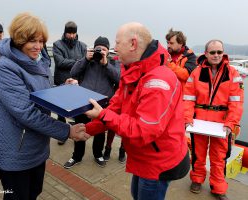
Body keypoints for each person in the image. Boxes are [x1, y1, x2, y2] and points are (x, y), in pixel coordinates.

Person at [0, 13, 90, 200]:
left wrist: (63, 88)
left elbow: (42, 93)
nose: (39, 46)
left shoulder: (36, 62)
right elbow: (26, 112)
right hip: (14, 150)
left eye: (41, 41)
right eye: (32, 41)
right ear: (19, 40)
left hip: (35, 147)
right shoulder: (6, 68)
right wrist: (67, 130)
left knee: (34, 192)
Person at [85, 22, 190, 200]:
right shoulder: (133, 69)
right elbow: (117, 105)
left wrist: (102, 115)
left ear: (133, 44)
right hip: (143, 155)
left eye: (118, 43)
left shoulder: (157, 82)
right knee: (136, 194)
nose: (114, 48)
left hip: (158, 160)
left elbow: (144, 130)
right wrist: (88, 129)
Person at [183, 39, 244, 200]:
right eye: (212, 52)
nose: (216, 55)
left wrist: (231, 123)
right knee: (198, 153)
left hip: (221, 123)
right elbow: (188, 98)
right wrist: (187, 118)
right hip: (200, 121)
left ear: (223, 53)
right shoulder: (196, 73)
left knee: (220, 157)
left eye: (219, 52)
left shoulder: (232, 73)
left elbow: (236, 102)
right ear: (206, 54)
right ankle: (196, 179)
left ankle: (218, 187)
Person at [63, 36, 120, 169]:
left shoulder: (112, 62)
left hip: (102, 105)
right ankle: (76, 156)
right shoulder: (87, 61)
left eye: (104, 49)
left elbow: (119, 79)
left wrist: (105, 63)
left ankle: (98, 154)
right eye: (98, 49)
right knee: (80, 128)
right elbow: (73, 72)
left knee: (99, 132)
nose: (100, 52)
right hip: (83, 103)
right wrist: (85, 59)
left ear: (108, 51)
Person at [53, 21, 87, 145]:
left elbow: (86, 63)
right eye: (69, 33)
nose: (71, 36)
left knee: (78, 110)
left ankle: (76, 133)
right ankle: (62, 134)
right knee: (60, 111)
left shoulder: (82, 46)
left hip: (77, 82)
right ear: (65, 32)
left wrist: (78, 62)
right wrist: (79, 62)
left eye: (73, 33)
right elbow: (60, 62)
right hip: (62, 81)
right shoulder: (57, 44)